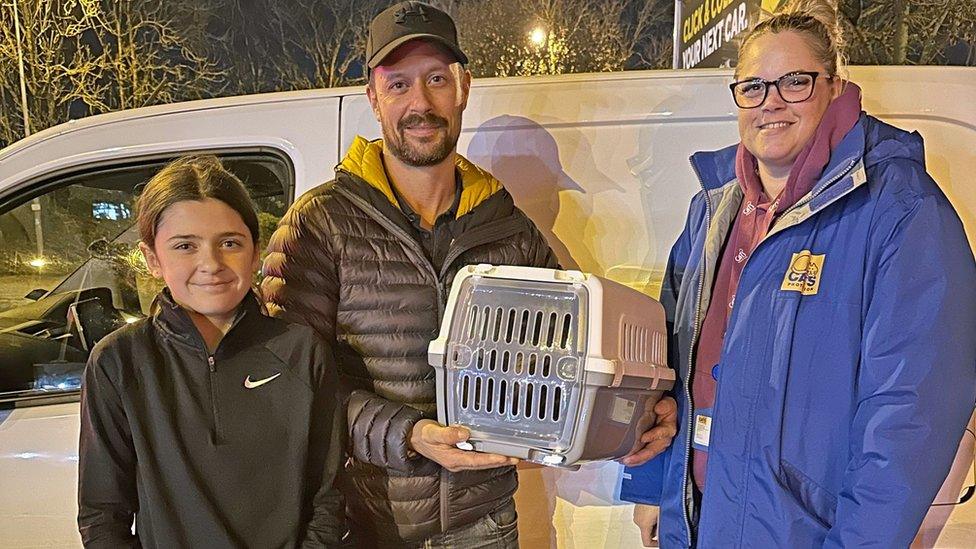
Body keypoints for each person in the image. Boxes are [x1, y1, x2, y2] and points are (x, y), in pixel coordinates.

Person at [261, 2, 677, 546]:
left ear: (463, 88)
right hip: (365, 526)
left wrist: (641, 419)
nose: (420, 103)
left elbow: (572, 360)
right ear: (373, 98)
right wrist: (409, 435)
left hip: (485, 526)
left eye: (437, 79)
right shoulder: (320, 223)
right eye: (398, 84)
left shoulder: (508, 227)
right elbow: (291, 385)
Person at [621, 5, 976, 548]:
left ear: (835, 85)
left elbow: (908, 422)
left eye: (795, 82)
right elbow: (661, 364)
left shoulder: (900, 211)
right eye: (754, 87)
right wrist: (653, 489)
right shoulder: (712, 212)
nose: (772, 103)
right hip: (697, 524)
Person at [77, 156, 345, 547]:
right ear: (153, 258)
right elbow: (103, 515)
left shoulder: (302, 352)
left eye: (230, 243)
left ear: (255, 253)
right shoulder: (118, 362)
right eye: (185, 245)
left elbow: (327, 499)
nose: (211, 264)